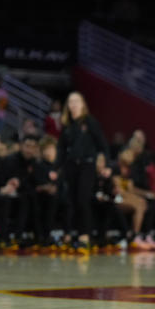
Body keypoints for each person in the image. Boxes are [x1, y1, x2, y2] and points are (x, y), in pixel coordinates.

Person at [56, 91, 110, 254]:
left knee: (83, 199)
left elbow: (102, 144)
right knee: (70, 201)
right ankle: (71, 234)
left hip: (87, 165)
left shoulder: (90, 122)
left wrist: (106, 165)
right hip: (71, 166)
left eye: (76, 101)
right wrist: (55, 168)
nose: (73, 104)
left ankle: (84, 236)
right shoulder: (66, 124)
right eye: (70, 101)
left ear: (82, 104)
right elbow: (61, 149)